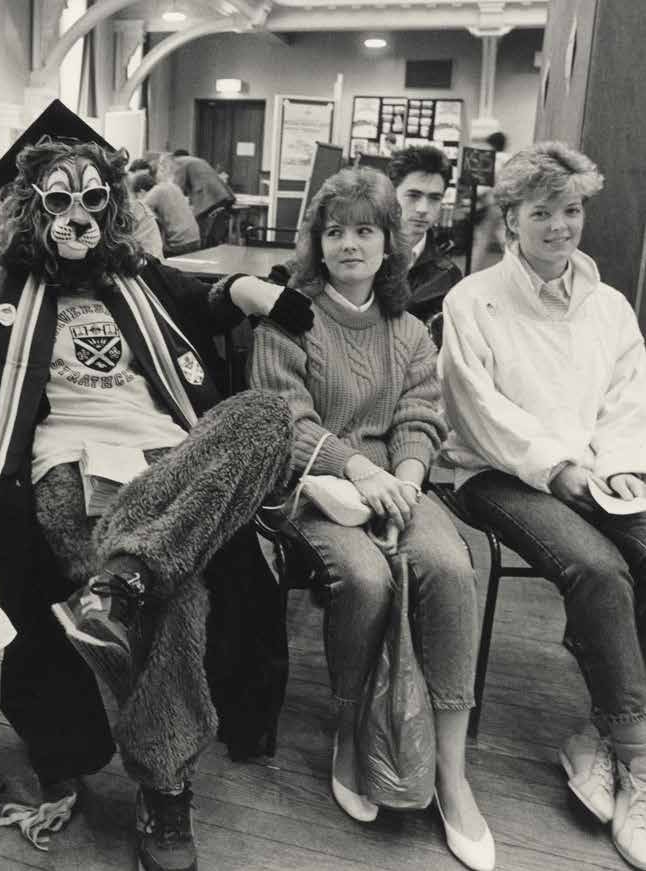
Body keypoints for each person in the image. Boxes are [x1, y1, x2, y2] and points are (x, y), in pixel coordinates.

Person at [0, 100, 311, 871]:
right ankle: (165, 786)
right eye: (58, 201)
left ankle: (125, 578)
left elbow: (206, 295)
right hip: (66, 468)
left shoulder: (139, 280)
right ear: (32, 208)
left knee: (266, 414)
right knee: (176, 591)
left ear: (115, 202)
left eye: (93, 199)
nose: (77, 216)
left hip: (166, 460)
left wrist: (253, 294)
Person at [248, 167, 493, 871]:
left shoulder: (410, 328)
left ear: (391, 244)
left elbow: (422, 416)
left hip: (399, 481)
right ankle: (351, 725)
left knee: (449, 564)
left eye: (365, 230)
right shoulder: (290, 316)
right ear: (315, 242)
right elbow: (282, 418)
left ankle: (450, 771)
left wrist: (407, 484)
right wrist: (361, 471)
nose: (349, 243)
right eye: (334, 230)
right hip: (315, 484)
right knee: (364, 576)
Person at [438, 142, 646, 870]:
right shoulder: (474, 300)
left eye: (572, 209)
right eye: (542, 213)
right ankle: (638, 762)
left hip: (596, 471)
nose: (561, 226)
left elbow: (630, 399)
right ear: (510, 219)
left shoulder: (609, 305)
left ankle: (599, 736)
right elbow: (476, 410)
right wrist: (553, 466)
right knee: (597, 566)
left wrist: (617, 470)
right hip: (495, 473)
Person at [387, 144, 462, 320]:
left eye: (435, 198)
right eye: (413, 196)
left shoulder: (448, 276)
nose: (423, 209)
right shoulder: (361, 253)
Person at [130, 158, 201, 258]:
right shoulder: (173, 187)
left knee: (152, 258)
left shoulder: (157, 191)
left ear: (141, 192)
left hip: (180, 245)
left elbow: (137, 211)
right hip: (195, 239)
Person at [163, 150, 231, 217]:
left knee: (199, 222)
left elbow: (178, 187)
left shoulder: (178, 161)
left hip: (207, 199)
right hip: (223, 195)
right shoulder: (197, 160)